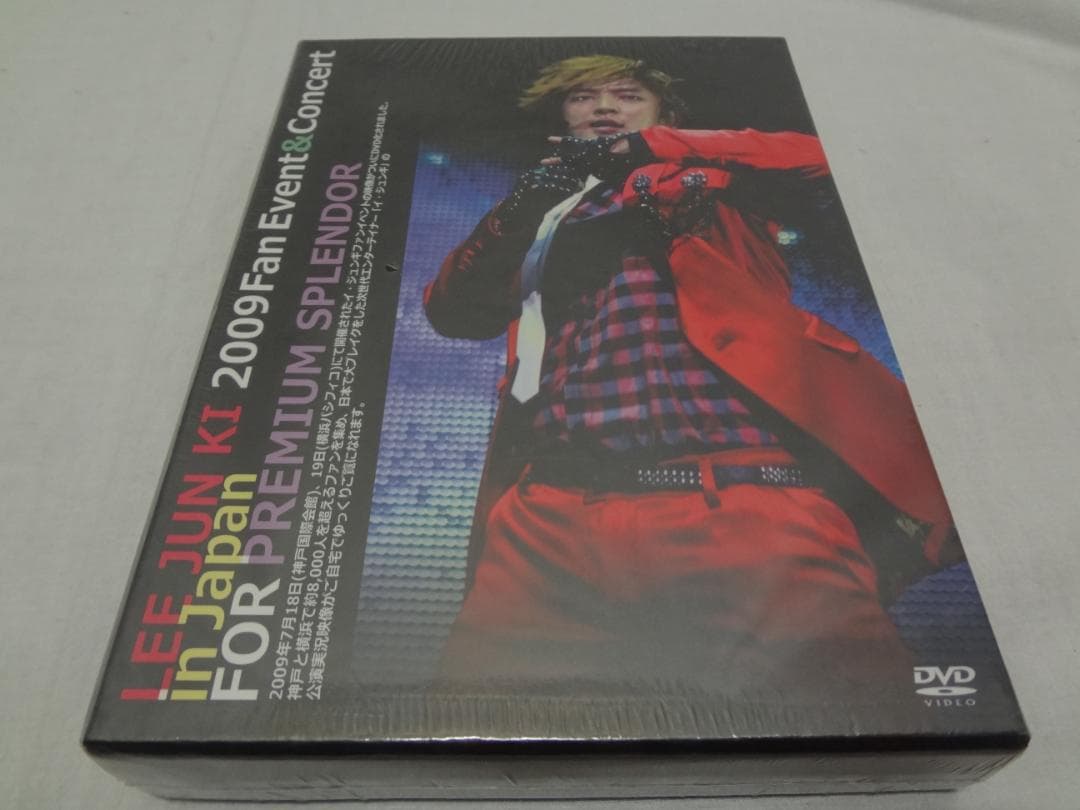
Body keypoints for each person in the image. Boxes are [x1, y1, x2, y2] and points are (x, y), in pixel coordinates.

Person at [424, 55, 959, 697]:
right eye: (582, 97)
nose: (604, 107)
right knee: (476, 715)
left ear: (664, 116)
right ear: (560, 118)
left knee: (858, 717)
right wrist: (520, 207)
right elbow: (453, 312)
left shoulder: (717, 181)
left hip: (739, 503)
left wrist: (652, 150)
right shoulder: (540, 219)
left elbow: (828, 158)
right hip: (549, 523)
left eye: (627, 95)